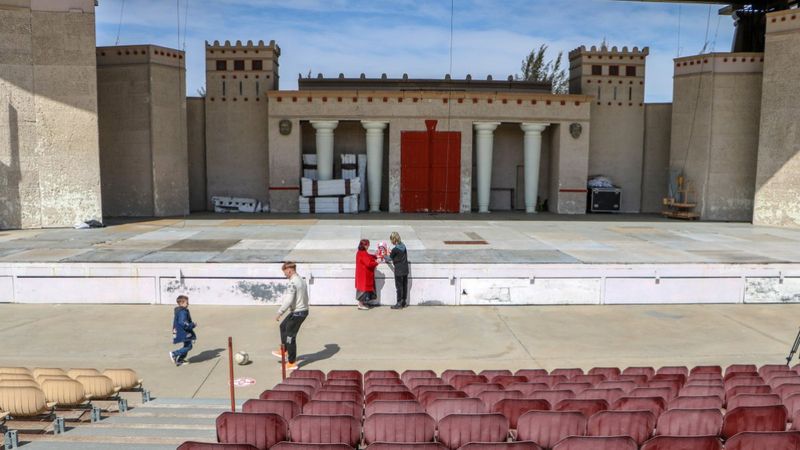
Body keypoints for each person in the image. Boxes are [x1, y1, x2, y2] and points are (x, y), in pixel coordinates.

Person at [271, 261, 309, 371]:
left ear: (289, 270)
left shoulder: (293, 282)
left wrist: (280, 312)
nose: (285, 275)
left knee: (290, 337)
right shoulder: (301, 280)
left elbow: (289, 299)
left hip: (299, 312)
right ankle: (285, 350)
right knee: (283, 327)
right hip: (299, 311)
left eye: (285, 273)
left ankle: (292, 362)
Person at [169, 295, 197, 367]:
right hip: (184, 332)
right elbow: (183, 322)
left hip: (183, 331)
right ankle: (174, 354)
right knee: (189, 346)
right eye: (186, 303)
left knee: (187, 345)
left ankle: (180, 360)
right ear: (181, 303)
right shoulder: (182, 312)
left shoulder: (181, 310)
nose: (188, 304)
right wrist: (192, 325)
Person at [385, 232, 410, 309]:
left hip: (399, 270)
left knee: (399, 287)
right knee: (404, 286)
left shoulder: (395, 249)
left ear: (394, 240)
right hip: (405, 269)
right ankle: (404, 302)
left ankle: (399, 303)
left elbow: (389, 258)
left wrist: (384, 255)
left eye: (391, 240)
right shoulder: (403, 246)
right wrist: (391, 253)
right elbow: (399, 255)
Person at [355, 238, 380, 310]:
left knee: (362, 290)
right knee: (363, 290)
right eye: (368, 245)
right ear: (365, 245)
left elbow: (368, 257)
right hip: (364, 276)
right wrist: (377, 262)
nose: (368, 246)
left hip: (361, 275)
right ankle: (360, 305)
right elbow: (369, 264)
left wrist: (375, 256)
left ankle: (362, 303)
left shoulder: (360, 252)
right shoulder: (363, 253)